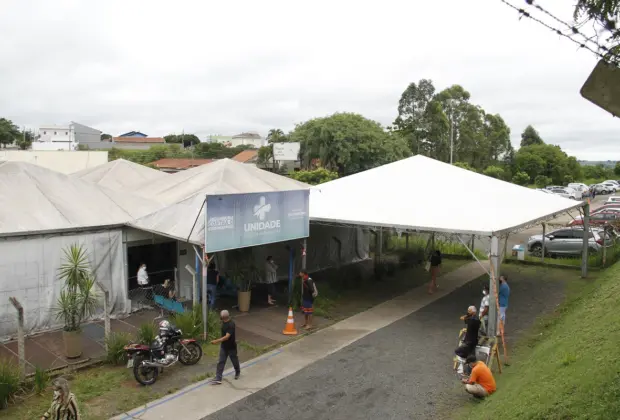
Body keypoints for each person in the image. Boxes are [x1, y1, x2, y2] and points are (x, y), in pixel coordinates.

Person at [211, 310, 240, 384]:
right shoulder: (224, 323)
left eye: (220, 315)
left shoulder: (231, 325)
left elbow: (227, 337)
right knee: (221, 361)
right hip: (224, 347)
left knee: (234, 360)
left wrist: (216, 341)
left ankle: (237, 371)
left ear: (223, 317)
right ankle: (218, 377)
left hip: (231, 347)